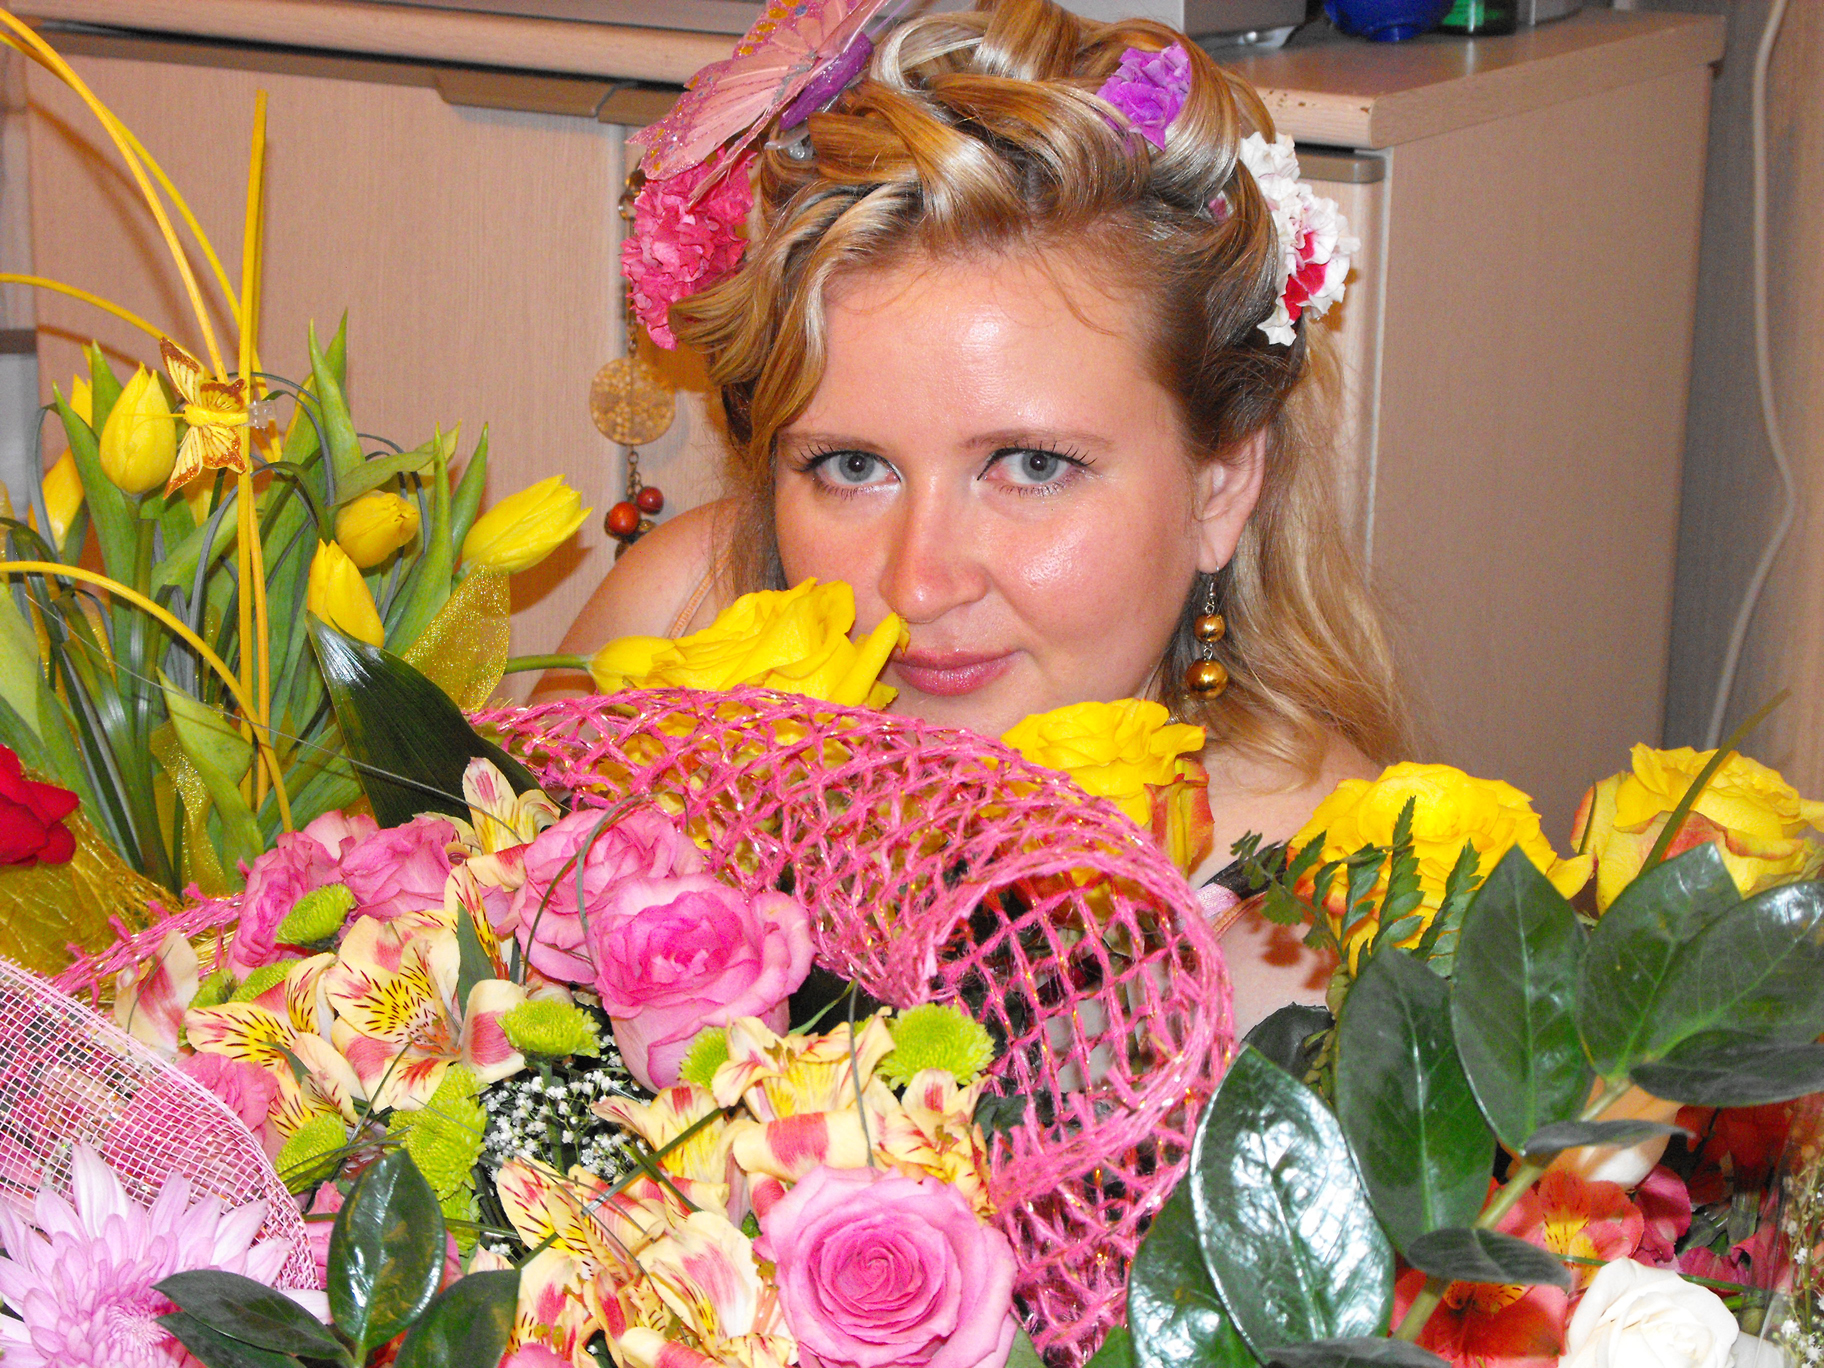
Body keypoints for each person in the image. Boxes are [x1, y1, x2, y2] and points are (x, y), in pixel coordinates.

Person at [548, 0, 1410, 1033]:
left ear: (1220, 485)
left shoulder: (1311, 925)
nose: (918, 583)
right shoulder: (679, 620)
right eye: (852, 466)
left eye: (1032, 466)